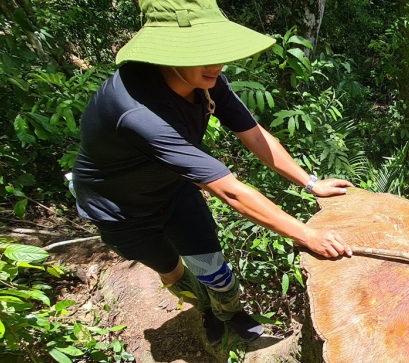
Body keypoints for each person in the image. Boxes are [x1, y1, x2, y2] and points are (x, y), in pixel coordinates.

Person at [71, 0, 352, 344]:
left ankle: (228, 312)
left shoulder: (205, 79)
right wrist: (306, 235)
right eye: (202, 54)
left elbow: (254, 133)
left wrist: (309, 182)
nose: (217, 64)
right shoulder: (135, 111)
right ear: (167, 54)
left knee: (215, 270)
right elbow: (228, 189)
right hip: (121, 212)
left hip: (174, 190)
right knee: (173, 272)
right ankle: (203, 309)